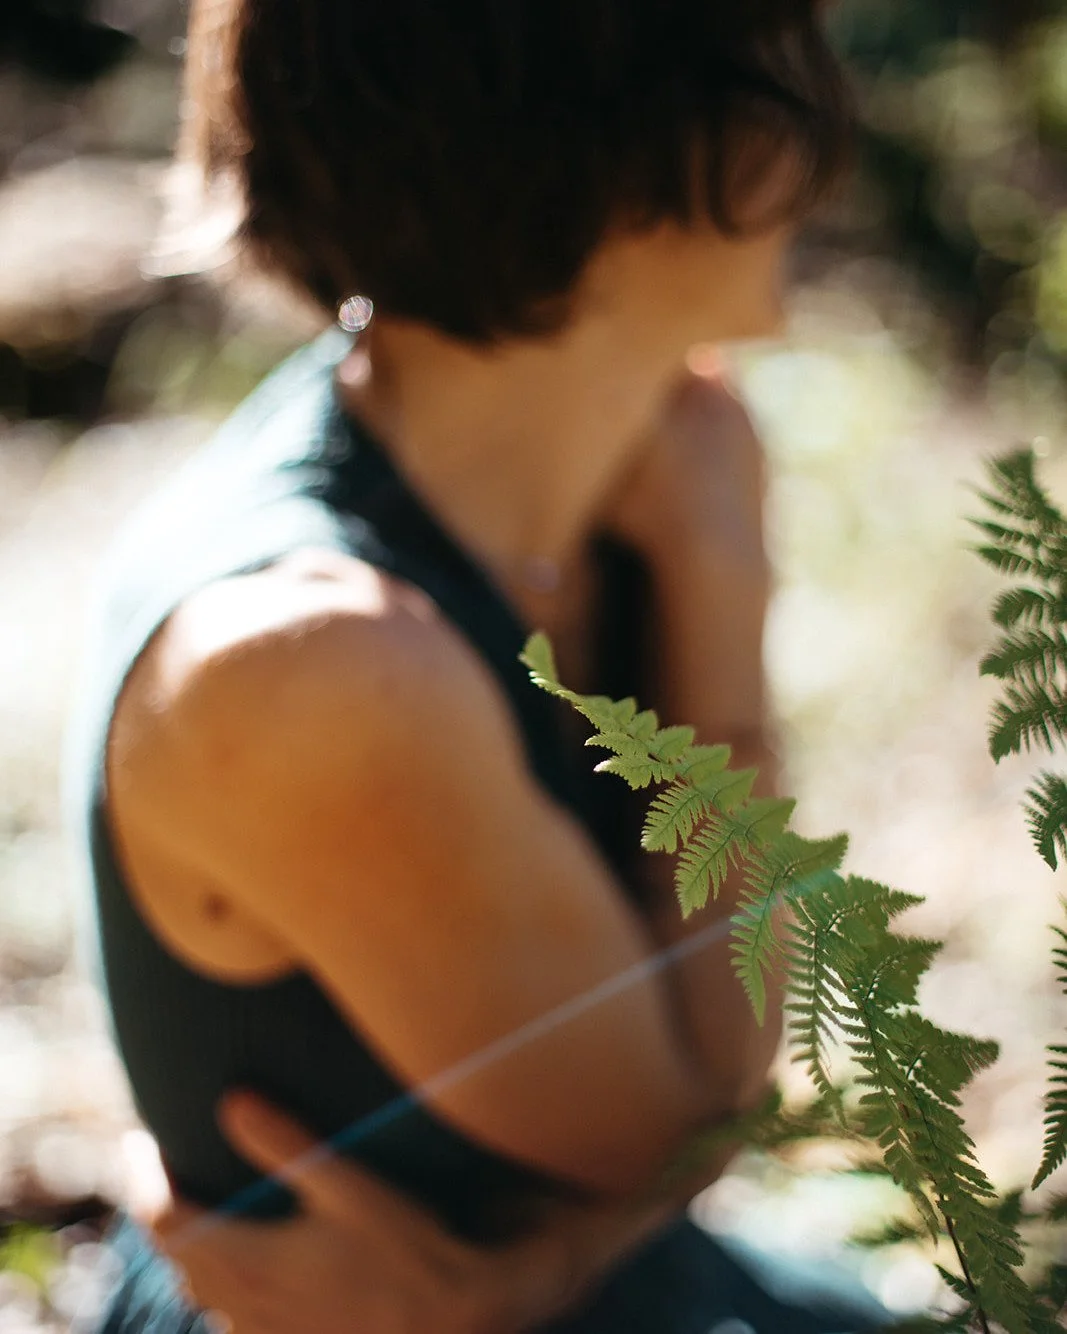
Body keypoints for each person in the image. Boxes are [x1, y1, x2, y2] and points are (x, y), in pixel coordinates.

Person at [67, 0, 889, 1328]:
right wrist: (720, 605)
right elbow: (683, 1118)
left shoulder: (649, 446)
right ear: (617, 154)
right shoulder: (320, 665)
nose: (818, 138)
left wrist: (546, 1269)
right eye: (773, 64)